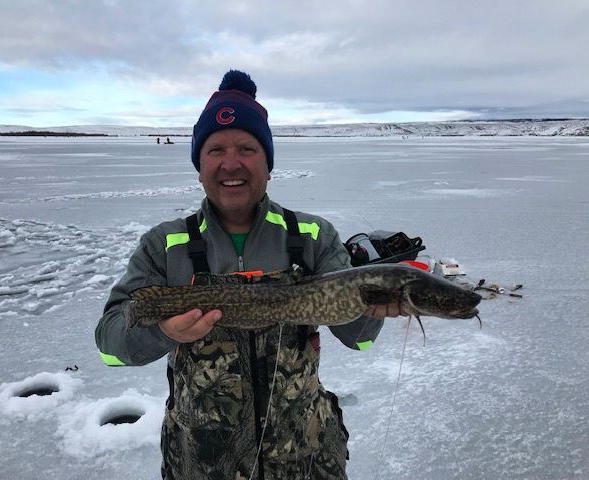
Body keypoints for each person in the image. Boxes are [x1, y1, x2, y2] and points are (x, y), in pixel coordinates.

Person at [95, 70, 403, 480]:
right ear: (199, 165)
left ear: (268, 163)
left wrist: (374, 305)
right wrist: (166, 331)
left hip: (305, 460)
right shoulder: (164, 246)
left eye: (247, 148)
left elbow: (358, 340)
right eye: (216, 148)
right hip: (202, 467)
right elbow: (111, 346)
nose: (231, 163)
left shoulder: (312, 237)